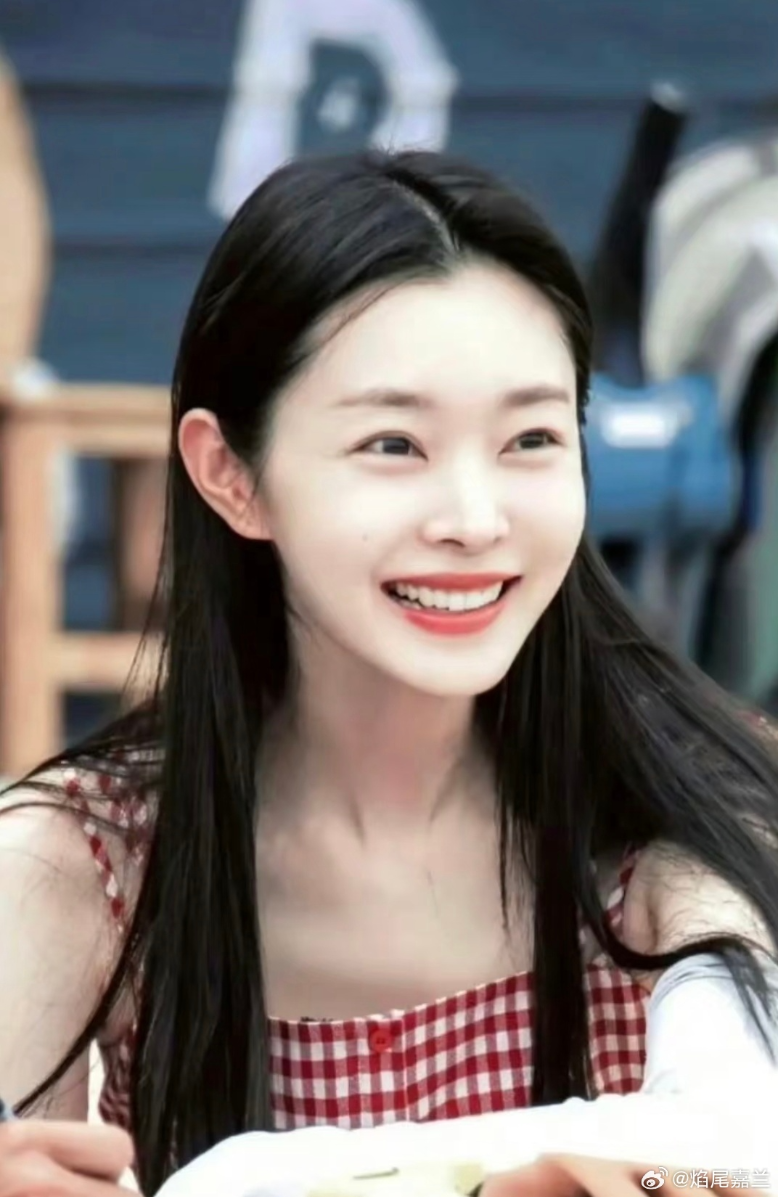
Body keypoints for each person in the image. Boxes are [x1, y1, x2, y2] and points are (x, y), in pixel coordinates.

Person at [2, 149, 778, 1197]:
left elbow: (736, 1114)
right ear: (231, 474)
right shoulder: (84, 858)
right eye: (393, 445)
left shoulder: (701, 816)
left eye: (531, 438)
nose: (474, 519)